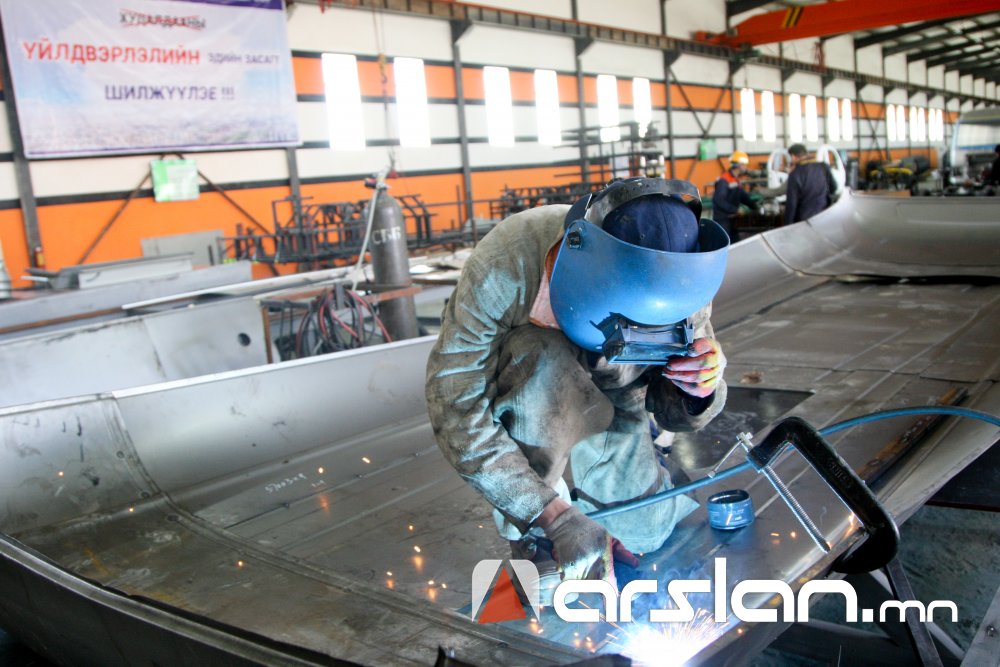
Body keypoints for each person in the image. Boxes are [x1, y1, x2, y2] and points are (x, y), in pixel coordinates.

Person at [425, 177, 730, 585]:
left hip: (623, 388)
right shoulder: (506, 263)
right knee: (540, 359)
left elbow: (677, 414)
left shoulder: (682, 281)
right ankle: (534, 534)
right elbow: (455, 402)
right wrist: (552, 516)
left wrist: (700, 390)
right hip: (541, 382)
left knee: (644, 533)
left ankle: (644, 483)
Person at [784, 144, 838, 225]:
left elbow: (791, 204)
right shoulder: (824, 166)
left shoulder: (795, 174)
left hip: (805, 221)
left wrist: (787, 225)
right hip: (825, 216)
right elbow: (834, 188)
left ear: (793, 156)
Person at [711, 150, 759, 238]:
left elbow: (742, 195)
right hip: (723, 220)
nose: (745, 167)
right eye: (744, 164)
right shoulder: (724, 180)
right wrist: (736, 210)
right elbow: (719, 200)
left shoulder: (735, 179)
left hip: (732, 219)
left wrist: (755, 206)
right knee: (726, 242)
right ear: (739, 165)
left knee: (735, 241)